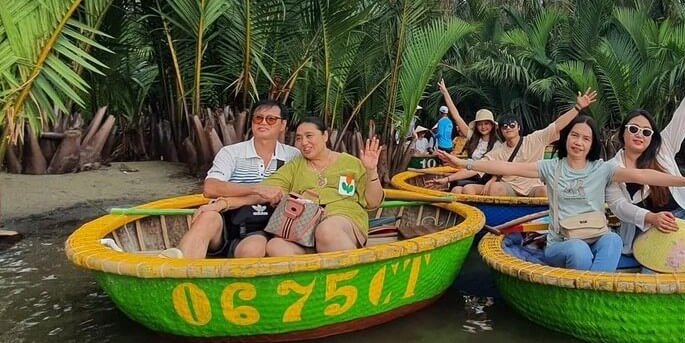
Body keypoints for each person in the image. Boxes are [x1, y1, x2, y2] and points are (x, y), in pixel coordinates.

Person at [437, 116, 685, 272]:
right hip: (562, 243)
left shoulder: (603, 169)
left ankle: (591, 290)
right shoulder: (551, 168)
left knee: (613, 238)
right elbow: (502, 164)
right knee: (576, 250)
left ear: (593, 144)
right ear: (567, 140)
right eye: (575, 135)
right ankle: (591, 291)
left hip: (596, 238)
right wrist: (465, 163)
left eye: (586, 138)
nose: (579, 141)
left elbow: (645, 175)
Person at [178, 117, 384, 257]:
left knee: (328, 230)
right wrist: (220, 204)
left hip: (342, 222)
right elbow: (261, 193)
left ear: (325, 136)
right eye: (299, 138)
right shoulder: (294, 166)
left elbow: (373, 203)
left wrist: (371, 170)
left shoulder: (350, 163)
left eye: (309, 135)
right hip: (304, 229)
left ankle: (350, 277)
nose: (304, 142)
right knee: (275, 246)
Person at [605, 59, 685, 270]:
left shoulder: (663, 147)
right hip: (647, 224)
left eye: (646, 132)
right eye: (633, 129)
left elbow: (684, 113)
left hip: (682, 216)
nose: (640, 135)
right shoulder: (612, 167)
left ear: (652, 136)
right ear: (623, 132)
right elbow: (619, 207)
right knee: (653, 269)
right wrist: (651, 217)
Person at [169, 99, 300, 259]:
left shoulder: (294, 156)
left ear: (283, 126)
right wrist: (256, 188)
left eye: (271, 119)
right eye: (258, 118)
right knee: (207, 216)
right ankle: (179, 270)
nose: (263, 123)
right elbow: (210, 188)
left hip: (270, 226)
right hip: (229, 220)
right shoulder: (231, 153)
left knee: (253, 248)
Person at [428, 90, 599, 196]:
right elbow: (475, 166)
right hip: (508, 187)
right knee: (488, 189)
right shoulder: (496, 150)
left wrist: (577, 108)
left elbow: (558, 124)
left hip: (532, 187)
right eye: (504, 126)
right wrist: (448, 179)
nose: (508, 128)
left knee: (544, 191)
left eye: (512, 125)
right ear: (500, 130)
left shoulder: (534, 139)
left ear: (518, 127)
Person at [438, 78, 499, 161]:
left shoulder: (498, 144)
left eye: (486, 123)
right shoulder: (473, 137)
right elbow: (457, 116)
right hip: (470, 172)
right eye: (480, 124)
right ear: (476, 126)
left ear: (492, 125)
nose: (483, 127)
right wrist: (445, 93)